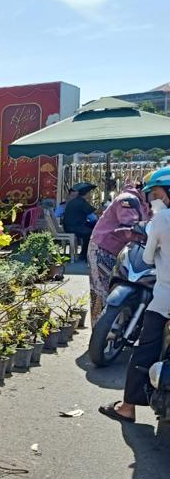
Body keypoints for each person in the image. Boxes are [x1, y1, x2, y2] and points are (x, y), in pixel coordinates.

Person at [100, 168, 170, 423]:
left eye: (156, 193)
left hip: (164, 299)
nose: (153, 199)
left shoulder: (161, 221)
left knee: (146, 348)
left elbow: (149, 257)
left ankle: (127, 407)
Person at [87, 183, 149, 324]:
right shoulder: (128, 200)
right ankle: (97, 338)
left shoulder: (145, 203)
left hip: (122, 252)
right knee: (101, 292)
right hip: (103, 249)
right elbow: (129, 227)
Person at [62, 182, 98, 260]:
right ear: (86, 193)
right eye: (89, 193)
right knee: (91, 233)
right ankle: (84, 255)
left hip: (71, 225)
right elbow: (95, 212)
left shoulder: (76, 201)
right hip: (74, 227)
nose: (90, 195)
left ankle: (86, 253)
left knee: (94, 224)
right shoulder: (81, 202)